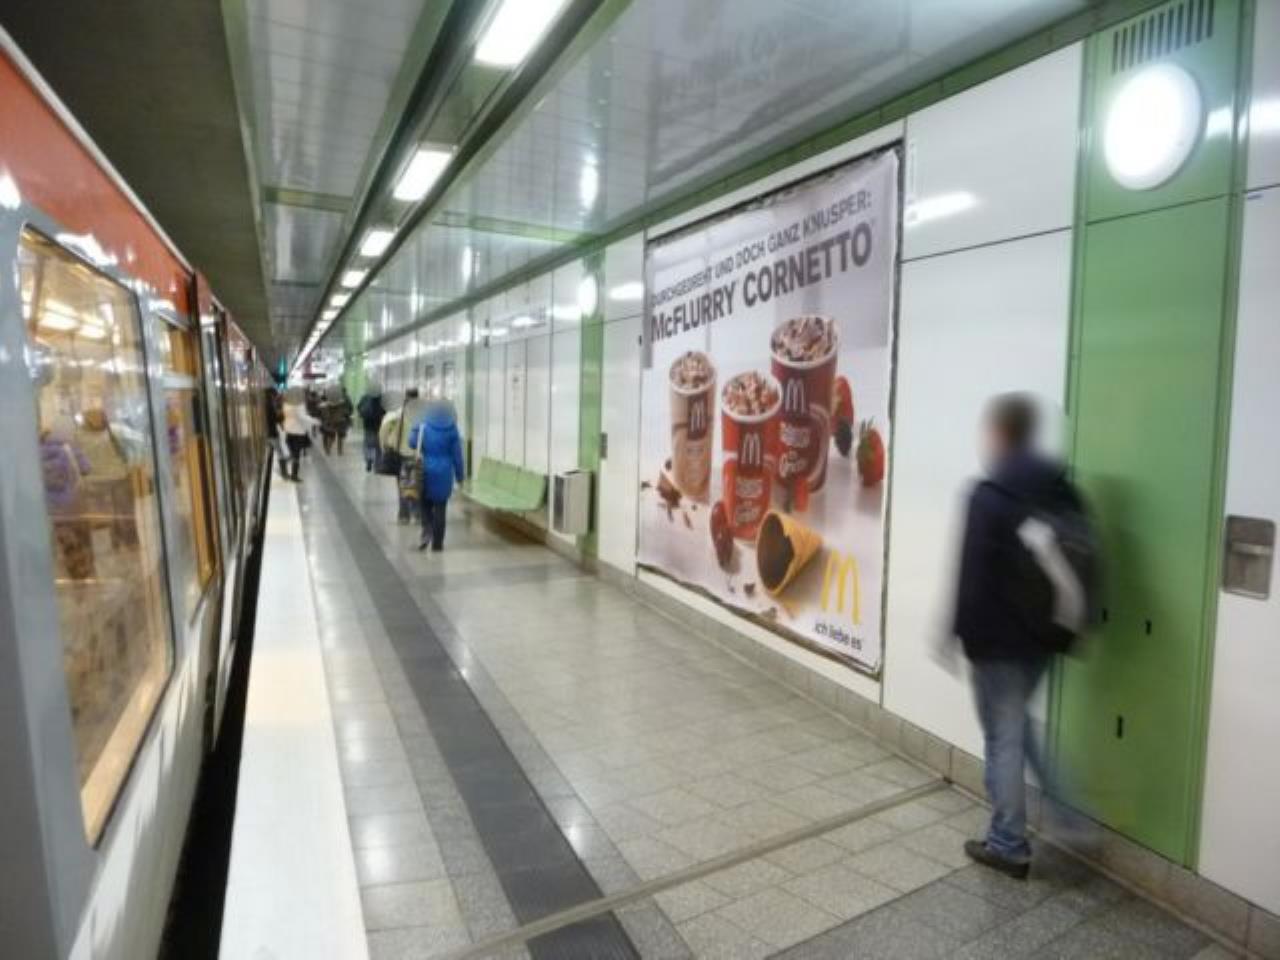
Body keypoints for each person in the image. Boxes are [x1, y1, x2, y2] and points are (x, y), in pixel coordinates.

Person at [953, 393, 1086, 879]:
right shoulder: (1061, 488)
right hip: (1043, 639)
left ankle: (1008, 844)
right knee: (1020, 728)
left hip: (997, 642)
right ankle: (1072, 817)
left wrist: (959, 635)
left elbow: (972, 575)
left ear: (1000, 433)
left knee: (1003, 739)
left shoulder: (989, 493)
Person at [411, 399, 465, 552]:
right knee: (441, 507)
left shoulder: (424, 425)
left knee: (424, 504)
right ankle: (438, 544)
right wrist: (460, 476)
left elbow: (412, 442)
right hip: (444, 473)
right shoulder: (452, 429)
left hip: (425, 469)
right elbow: (457, 456)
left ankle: (427, 529)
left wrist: (416, 427)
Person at [379, 388, 427, 523]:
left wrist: (384, 446)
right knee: (417, 484)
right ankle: (417, 514)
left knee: (402, 484)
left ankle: (403, 515)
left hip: (399, 454)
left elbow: (384, 430)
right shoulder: (423, 414)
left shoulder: (396, 413)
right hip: (417, 455)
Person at [281, 385, 318, 481]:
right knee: (296, 455)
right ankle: (294, 475)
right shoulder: (299, 405)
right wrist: (315, 421)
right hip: (298, 432)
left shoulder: (286, 405)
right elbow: (302, 417)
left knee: (293, 453)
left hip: (289, 431)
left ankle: (285, 466)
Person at [356, 384, 386, 472]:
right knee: (379, 446)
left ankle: (369, 460)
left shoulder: (365, 397)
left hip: (368, 425)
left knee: (368, 444)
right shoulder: (383, 398)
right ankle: (378, 465)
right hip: (380, 425)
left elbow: (358, 407)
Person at [319, 384, 353, 455]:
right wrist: (347, 414)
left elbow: (325, 409)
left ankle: (329, 449)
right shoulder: (345, 399)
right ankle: (339, 451)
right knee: (340, 437)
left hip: (333, 421)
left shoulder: (332, 398)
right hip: (341, 420)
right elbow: (350, 409)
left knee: (332, 436)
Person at [264, 386, 288, 479]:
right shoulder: (269, 406)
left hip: (268, 433)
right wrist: (282, 414)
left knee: (272, 452)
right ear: (271, 395)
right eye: (274, 396)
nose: (275, 398)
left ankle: (282, 472)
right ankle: (284, 473)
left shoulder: (266, 404)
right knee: (280, 452)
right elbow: (276, 419)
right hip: (272, 433)